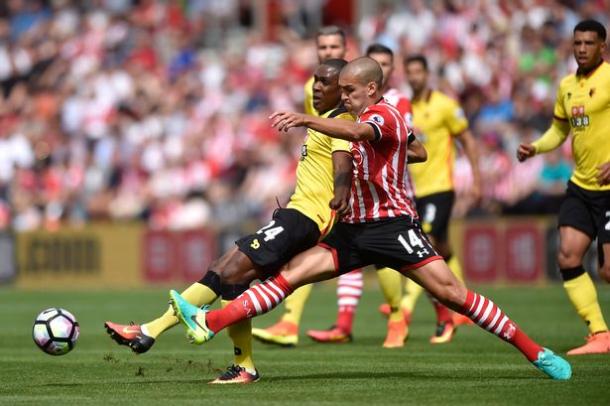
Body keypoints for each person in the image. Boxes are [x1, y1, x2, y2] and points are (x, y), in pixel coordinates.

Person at [170, 57, 572, 381]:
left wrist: (308, 119)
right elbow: (404, 152)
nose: (343, 97)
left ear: (372, 89)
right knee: (287, 276)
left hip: (393, 228)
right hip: (352, 232)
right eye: (340, 90)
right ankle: (212, 321)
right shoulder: (363, 123)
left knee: (454, 295)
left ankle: (535, 352)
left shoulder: (385, 115)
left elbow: (364, 133)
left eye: (349, 90)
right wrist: (370, 173)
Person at [105, 58, 356, 384]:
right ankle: (167, 338)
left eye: (325, 82)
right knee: (226, 273)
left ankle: (164, 334)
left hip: (307, 219)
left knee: (229, 270)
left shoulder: (342, 121)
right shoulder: (325, 120)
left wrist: (341, 192)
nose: (316, 87)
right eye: (315, 80)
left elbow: (343, 163)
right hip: (297, 214)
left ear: (344, 89)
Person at [305, 43, 416, 348]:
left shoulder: (395, 103)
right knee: (350, 259)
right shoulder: (349, 100)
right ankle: (344, 323)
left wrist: (386, 150)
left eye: (386, 62)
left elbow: (414, 147)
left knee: (396, 263)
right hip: (362, 197)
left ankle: (399, 317)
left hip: (391, 198)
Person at [251, 25, 354, 347]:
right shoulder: (316, 87)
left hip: (357, 178)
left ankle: (402, 316)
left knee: (389, 255)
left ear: (345, 48)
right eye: (322, 47)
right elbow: (321, 136)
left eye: (334, 46)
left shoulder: (359, 85)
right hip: (330, 184)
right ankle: (295, 322)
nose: (328, 52)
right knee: (325, 255)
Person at [517, 19, 610, 355]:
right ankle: (600, 334)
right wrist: (535, 147)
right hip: (581, 186)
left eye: (589, 43)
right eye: (577, 43)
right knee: (568, 256)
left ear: (603, 45)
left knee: (608, 269)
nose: (582, 49)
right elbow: (559, 131)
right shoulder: (567, 86)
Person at [375, 54, 482, 344]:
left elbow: (467, 140)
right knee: (442, 249)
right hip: (411, 190)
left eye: (418, 72)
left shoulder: (443, 105)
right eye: (410, 73)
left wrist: (476, 178)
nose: (414, 77)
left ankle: (408, 309)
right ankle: (460, 305)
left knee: (427, 244)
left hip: (439, 187)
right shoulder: (404, 106)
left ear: (427, 73)